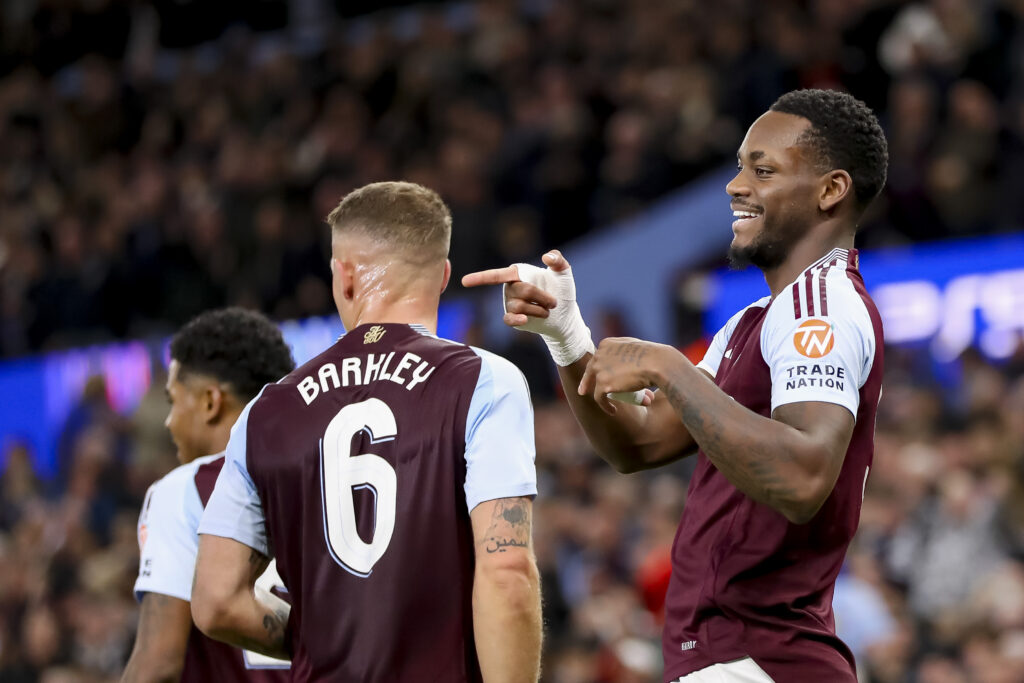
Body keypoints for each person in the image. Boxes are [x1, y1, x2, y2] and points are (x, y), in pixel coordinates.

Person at [463, 88, 888, 682]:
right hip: (741, 657)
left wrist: (671, 368)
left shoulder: (821, 305)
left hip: (759, 657)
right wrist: (566, 336)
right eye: (740, 166)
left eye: (762, 170)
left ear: (831, 190)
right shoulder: (756, 320)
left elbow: (803, 476)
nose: (735, 185)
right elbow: (637, 444)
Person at [190, 181, 543, 682]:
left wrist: (330, 635)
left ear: (346, 275)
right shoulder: (482, 381)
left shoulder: (264, 413)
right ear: (442, 276)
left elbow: (215, 602)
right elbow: (506, 574)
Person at [122, 307, 296, 682]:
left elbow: (158, 664)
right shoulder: (321, 471)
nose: (169, 421)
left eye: (173, 401)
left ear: (210, 402)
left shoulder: (183, 489)